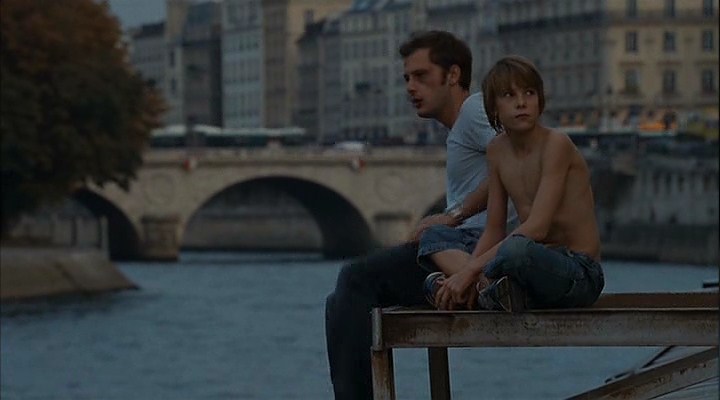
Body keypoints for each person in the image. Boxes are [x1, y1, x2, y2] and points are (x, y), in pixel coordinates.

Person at [324, 30, 497, 399]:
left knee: (355, 280)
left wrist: (452, 215)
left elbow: (516, 164)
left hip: (474, 247)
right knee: (341, 301)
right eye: (406, 78)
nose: (410, 87)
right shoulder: (464, 125)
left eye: (421, 76)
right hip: (467, 246)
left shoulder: (474, 111)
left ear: (453, 75)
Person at [430, 55, 605, 312]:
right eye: (509, 95)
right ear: (493, 107)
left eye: (529, 93)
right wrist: (469, 271)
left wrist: (469, 270)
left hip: (579, 271)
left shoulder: (556, 144)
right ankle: (487, 291)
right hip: (530, 266)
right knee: (434, 236)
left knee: (515, 251)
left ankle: (481, 290)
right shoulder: (496, 151)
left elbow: (537, 228)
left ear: (540, 100)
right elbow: (493, 229)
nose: (521, 102)